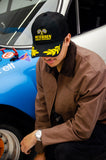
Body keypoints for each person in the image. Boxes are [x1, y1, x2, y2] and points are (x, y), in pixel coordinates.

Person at [20, 11, 106, 160]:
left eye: (52, 50)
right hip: (67, 121)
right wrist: (40, 151)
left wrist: (39, 136)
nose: (46, 57)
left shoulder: (92, 70)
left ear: (67, 39)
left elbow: (82, 129)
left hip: (96, 126)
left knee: (64, 152)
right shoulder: (43, 63)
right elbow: (42, 108)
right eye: (42, 51)